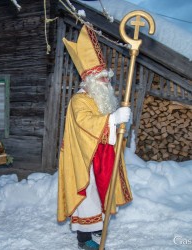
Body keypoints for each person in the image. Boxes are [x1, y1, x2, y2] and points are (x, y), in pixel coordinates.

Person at [57, 25, 133, 250]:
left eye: (106, 79)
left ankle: (96, 225)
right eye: (102, 79)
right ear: (89, 80)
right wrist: (113, 119)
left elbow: (105, 129)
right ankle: (83, 238)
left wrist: (117, 123)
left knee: (100, 194)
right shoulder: (79, 101)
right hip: (82, 160)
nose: (106, 83)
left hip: (98, 157)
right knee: (87, 197)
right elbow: (86, 123)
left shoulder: (98, 100)